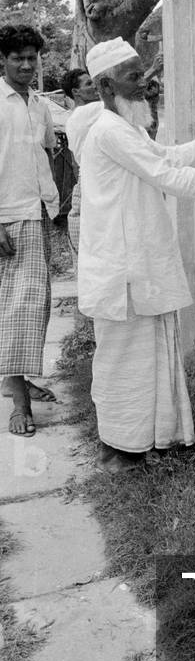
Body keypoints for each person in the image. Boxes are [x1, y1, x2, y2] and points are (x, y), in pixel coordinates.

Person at [78, 37, 195, 474]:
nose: (144, 84)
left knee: (146, 357)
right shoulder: (110, 131)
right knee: (124, 363)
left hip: (137, 267)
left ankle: (142, 443)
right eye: (133, 76)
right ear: (105, 87)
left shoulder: (127, 127)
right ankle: (117, 452)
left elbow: (167, 156)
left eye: (143, 74)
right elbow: (167, 176)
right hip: (123, 273)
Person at [0, 25, 60, 434]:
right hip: (8, 216)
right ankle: (20, 406)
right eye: (17, 57)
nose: (26, 64)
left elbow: (48, 153)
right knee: (19, 308)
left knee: (31, 307)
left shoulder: (40, 105)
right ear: (2, 60)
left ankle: (14, 380)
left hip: (38, 213)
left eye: (31, 58)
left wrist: (54, 204)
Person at [61, 68, 103, 261]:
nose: (95, 86)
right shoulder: (86, 113)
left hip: (86, 183)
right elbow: (121, 98)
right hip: (90, 184)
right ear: (75, 92)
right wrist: (151, 72)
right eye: (88, 84)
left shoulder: (76, 117)